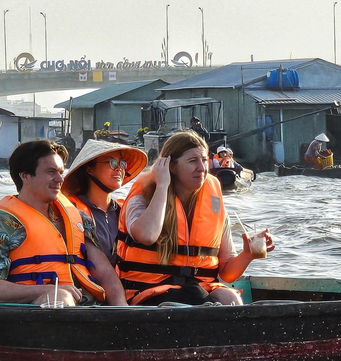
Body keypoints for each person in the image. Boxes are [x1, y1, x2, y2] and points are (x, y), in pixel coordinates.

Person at [116, 131, 273, 306]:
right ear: (171, 166)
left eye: (205, 160)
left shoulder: (214, 205)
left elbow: (227, 273)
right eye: (193, 161)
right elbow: (146, 235)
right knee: (193, 296)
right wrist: (162, 185)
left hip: (197, 290)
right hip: (148, 291)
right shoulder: (142, 198)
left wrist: (247, 254)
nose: (202, 168)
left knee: (231, 299)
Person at [0, 140, 128, 306]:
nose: (60, 179)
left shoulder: (78, 217)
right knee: (60, 297)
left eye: (61, 172)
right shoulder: (5, 222)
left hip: (86, 307)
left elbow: (105, 273)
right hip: (36, 310)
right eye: (51, 172)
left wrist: (123, 310)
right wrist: (47, 290)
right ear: (25, 175)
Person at [61, 139, 148, 265]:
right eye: (112, 163)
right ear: (89, 169)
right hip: (88, 282)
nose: (119, 169)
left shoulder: (123, 210)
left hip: (123, 281)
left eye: (122, 164)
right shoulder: (71, 210)